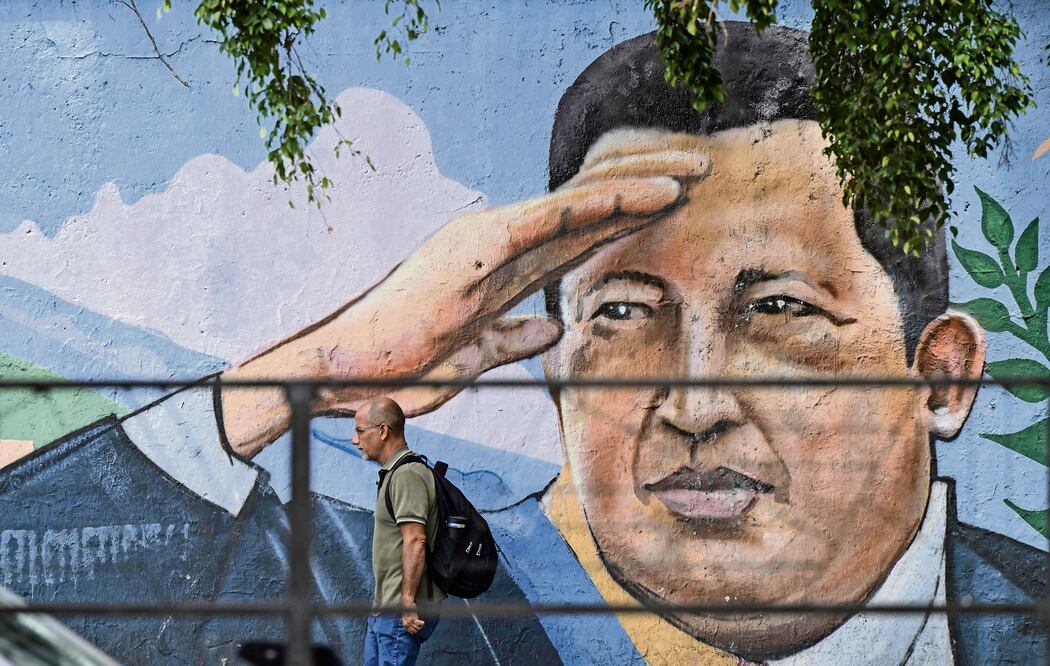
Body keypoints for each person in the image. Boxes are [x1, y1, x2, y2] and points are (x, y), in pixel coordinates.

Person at [2, 20, 1043, 666]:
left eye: (777, 310)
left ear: (940, 377)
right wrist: (327, 364)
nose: (692, 405)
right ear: (554, 365)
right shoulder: (425, 605)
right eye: (622, 314)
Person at [354, 397, 444, 666]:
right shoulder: (394, 473)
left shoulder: (407, 475)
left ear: (383, 431)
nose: (355, 440)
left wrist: (406, 600)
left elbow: (416, 539)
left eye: (360, 431)